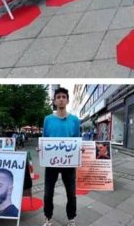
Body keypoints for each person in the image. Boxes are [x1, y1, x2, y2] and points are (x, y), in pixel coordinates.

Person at [41, 87, 81, 226]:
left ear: (68, 100)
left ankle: (71, 218)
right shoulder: (48, 119)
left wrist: (79, 150)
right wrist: (41, 148)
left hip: (68, 164)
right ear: (54, 101)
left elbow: (77, 140)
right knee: (48, 194)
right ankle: (48, 218)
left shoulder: (75, 120)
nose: (61, 99)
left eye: (64, 96)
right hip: (51, 163)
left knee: (71, 194)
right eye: (58, 97)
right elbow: (45, 139)